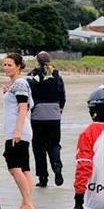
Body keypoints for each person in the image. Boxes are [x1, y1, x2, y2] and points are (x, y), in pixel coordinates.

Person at [2, 53, 35, 209]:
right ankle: (26, 203)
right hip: (21, 131)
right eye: (5, 65)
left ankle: (28, 204)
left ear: (19, 66)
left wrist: (17, 131)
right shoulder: (16, 84)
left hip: (18, 132)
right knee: (24, 168)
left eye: (10, 65)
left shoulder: (20, 83)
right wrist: (7, 93)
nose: (6, 68)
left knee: (14, 167)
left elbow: (23, 108)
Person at [28, 51, 66, 187]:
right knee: (54, 144)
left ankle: (43, 177)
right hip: (55, 114)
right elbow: (62, 96)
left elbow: (28, 94)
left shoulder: (33, 75)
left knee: (38, 147)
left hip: (38, 115)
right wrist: (59, 109)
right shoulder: (57, 76)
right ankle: (56, 165)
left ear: (37, 61)